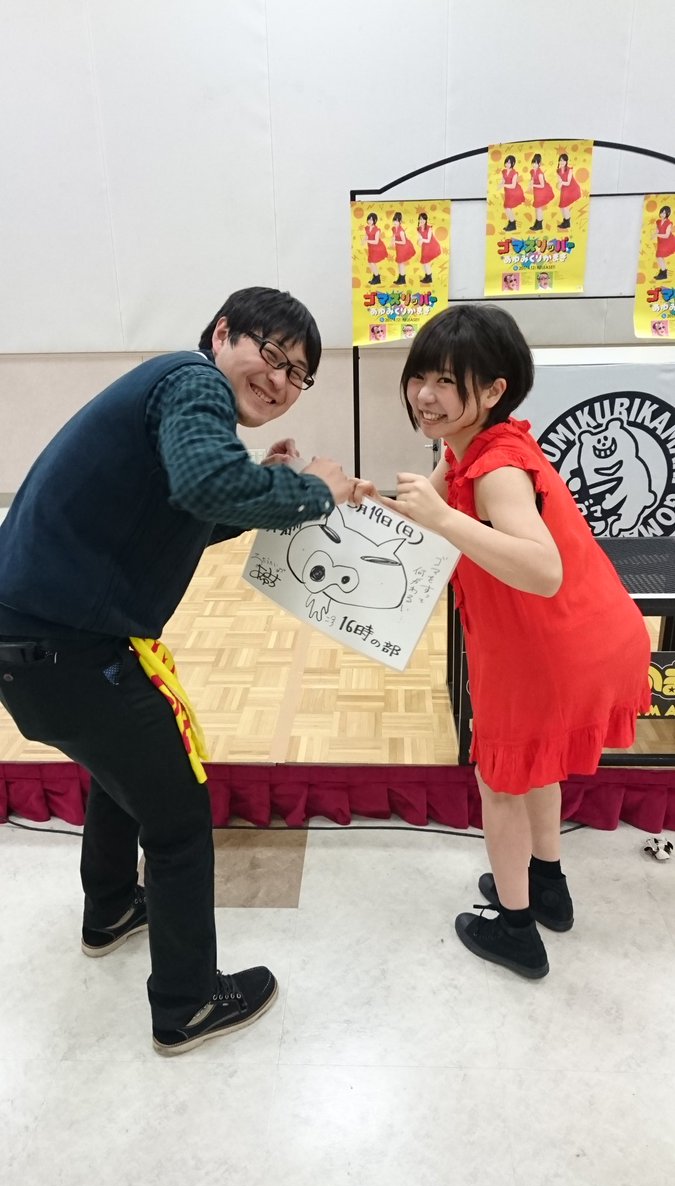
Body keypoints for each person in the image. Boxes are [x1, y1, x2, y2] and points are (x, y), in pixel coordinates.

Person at [0, 286, 367, 1054]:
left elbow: (187, 510)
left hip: (37, 650)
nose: (279, 382)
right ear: (222, 333)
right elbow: (205, 484)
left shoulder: (172, 394)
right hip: (70, 652)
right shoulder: (193, 381)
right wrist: (313, 491)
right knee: (177, 822)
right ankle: (187, 1004)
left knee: (122, 774)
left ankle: (110, 910)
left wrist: (265, 485)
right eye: (271, 355)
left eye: (298, 375)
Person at [367, 304, 651, 980]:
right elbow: (420, 522)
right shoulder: (468, 446)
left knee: (499, 784)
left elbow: (542, 567)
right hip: (579, 634)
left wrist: (442, 518)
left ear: (494, 389)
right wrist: (356, 496)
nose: (425, 395)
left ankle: (517, 930)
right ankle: (546, 884)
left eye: (446, 380)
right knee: (536, 767)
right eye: (419, 376)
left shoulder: (495, 467)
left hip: (548, 648)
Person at [499, 155, 525, 232]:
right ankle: (511, 224)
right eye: (506, 162)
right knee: (507, 208)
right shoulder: (504, 171)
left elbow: (513, 185)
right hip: (507, 192)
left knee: (507, 207)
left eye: (509, 163)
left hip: (514, 192)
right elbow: (503, 180)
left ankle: (512, 223)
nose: (507, 164)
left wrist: (504, 185)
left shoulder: (514, 173)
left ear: (513, 163)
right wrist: (500, 185)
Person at [529, 153, 555, 231]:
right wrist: (531, 182)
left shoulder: (540, 173)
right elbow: (532, 179)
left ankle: (539, 224)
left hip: (542, 191)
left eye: (536, 163)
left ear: (539, 164)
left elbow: (542, 185)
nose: (534, 165)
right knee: (537, 208)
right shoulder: (532, 171)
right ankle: (537, 223)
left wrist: (533, 184)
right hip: (536, 192)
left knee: (538, 208)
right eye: (533, 162)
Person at [556, 153, 581, 229]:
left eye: (564, 160)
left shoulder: (570, 170)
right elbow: (559, 183)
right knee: (562, 206)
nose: (562, 162)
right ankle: (565, 221)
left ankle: (567, 222)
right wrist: (559, 185)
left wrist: (561, 183)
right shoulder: (558, 171)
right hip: (564, 189)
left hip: (572, 189)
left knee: (564, 206)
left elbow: (568, 182)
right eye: (561, 160)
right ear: (558, 161)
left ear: (566, 161)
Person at [391, 211, 415, 285]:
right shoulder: (394, 228)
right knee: (399, 263)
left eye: (397, 221)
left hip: (404, 247)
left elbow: (404, 242)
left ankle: (402, 279)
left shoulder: (401, 231)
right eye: (394, 220)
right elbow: (394, 235)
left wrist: (395, 241)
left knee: (401, 263)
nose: (395, 222)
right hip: (399, 248)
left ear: (400, 221)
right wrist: (392, 240)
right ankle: (401, 278)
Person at [417, 212, 442, 284]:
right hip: (425, 247)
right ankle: (427, 276)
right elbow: (420, 239)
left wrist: (421, 240)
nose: (422, 220)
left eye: (424, 219)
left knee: (426, 262)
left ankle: (429, 278)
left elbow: (428, 240)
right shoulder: (418, 229)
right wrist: (419, 241)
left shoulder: (429, 228)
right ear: (418, 219)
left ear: (426, 220)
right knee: (424, 262)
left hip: (432, 246)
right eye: (421, 219)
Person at [363, 212, 388, 284]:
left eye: (371, 219)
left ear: (375, 220)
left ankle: (377, 278)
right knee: (371, 263)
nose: (370, 221)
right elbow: (367, 235)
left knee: (372, 262)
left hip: (377, 248)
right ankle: (375, 277)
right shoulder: (367, 228)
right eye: (369, 219)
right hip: (371, 248)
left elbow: (376, 241)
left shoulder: (377, 230)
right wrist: (364, 239)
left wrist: (367, 240)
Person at [653, 205, 675, 281]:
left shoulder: (669, 223)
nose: (662, 214)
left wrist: (657, 235)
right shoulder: (658, 221)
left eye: (664, 213)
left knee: (659, 256)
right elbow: (657, 230)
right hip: (661, 242)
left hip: (668, 242)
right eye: (661, 212)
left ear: (668, 214)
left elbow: (666, 235)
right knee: (659, 256)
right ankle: (663, 272)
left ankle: (663, 273)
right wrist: (654, 235)